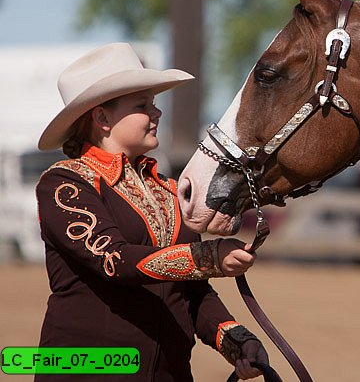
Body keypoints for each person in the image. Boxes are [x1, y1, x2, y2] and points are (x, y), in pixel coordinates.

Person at [35, 42, 268, 381]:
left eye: (154, 104)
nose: (156, 113)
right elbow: (114, 261)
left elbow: (193, 291)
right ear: (101, 118)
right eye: (143, 106)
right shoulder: (64, 185)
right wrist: (209, 256)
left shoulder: (171, 191)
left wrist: (236, 341)